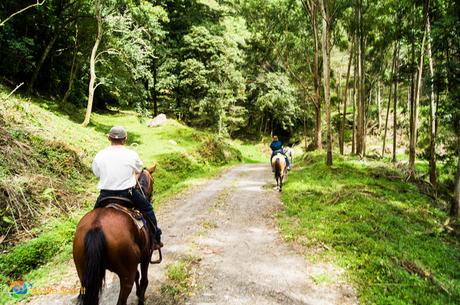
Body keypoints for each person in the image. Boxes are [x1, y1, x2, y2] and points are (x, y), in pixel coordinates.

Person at [92, 126, 163, 250]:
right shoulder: (131, 154)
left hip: (105, 195)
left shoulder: (99, 155)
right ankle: (155, 239)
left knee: (92, 219)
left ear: (109, 138)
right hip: (127, 193)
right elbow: (139, 169)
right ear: (125, 139)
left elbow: (97, 173)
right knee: (148, 209)